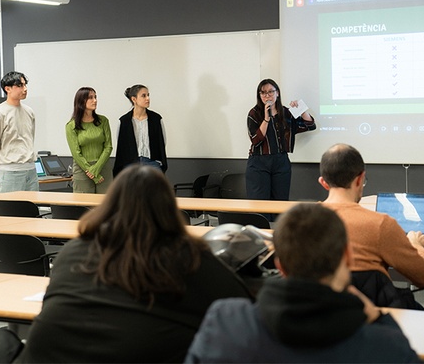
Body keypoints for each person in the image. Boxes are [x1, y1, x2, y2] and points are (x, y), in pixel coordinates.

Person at [15, 165, 250, 363]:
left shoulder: (73, 251)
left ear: (110, 203)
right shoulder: (190, 257)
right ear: (168, 208)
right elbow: (243, 304)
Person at [185, 203, 421, 363]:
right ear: (347, 256)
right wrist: (380, 318)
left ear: (279, 266)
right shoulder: (386, 347)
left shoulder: (224, 323)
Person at [319, 143, 424, 307]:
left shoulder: (297, 223)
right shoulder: (380, 224)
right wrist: (416, 245)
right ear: (360, 179)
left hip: (316, 317)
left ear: (323, 182)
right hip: (375, 318)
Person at [245, 79, 316, 205]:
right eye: (263, 93)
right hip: (259, 162)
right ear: (259, 95)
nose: (267, 96)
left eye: (271, 92)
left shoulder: (286, 112)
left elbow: (310, 125)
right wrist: (266, 119)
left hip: (281, 161)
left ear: (277, 93)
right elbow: (256, 140)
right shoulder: (254, 113)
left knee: (280, 202)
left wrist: (302, 109)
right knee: (260, 204)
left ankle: (278, 225)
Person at [0, 71, 38, 193]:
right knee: (10, 210)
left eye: (25, 85)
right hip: (10, 170)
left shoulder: (29, 112)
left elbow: (30, 138)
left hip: (30, 169)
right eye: (20, 86)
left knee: (33, 209)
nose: (25, 89)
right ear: (7, 89)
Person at [65, 87, 113, 193]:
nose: (95, 100)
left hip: (103, 168)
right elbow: (76, 153)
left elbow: (108, 146)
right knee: (84, 208)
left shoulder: (103, 121)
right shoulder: (71, 125)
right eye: (90, 98)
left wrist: (95, 169)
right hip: (82, 171)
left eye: (95, 97)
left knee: (105, 206)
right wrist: (90, 171)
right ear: (81, 101)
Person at [113, 84, 167, 177]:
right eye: (143, 96)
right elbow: (121, 144)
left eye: (148, 95)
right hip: (131, 163)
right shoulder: (124, 121)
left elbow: (162, 141)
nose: (147, 98)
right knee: (130, 189)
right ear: (134, 99)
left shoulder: (156, 119)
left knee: (157, 189)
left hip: (152, 163)